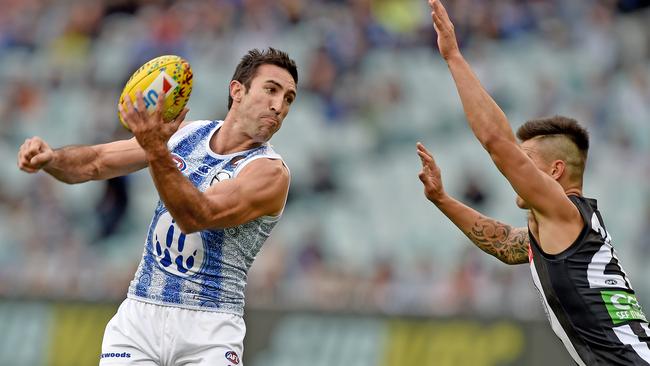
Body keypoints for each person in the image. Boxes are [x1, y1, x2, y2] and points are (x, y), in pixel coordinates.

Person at [17, 47, 298, 365]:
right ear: (238, 91)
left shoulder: (270, 172)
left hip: (209, 331)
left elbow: (195, 216)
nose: (279, 106)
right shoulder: (188, 134)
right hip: (140, 318)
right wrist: (51, 158)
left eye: (288, 98)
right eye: (271, 90)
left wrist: (155, 149)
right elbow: (95, 163)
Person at [417, 1, 650, 364]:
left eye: (528, 160)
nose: (519, 168)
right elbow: (507, 245)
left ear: (555, 172)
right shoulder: (567, 228)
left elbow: (497, 144)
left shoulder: (563, 210)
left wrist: (453, 58)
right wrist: (442, 200)